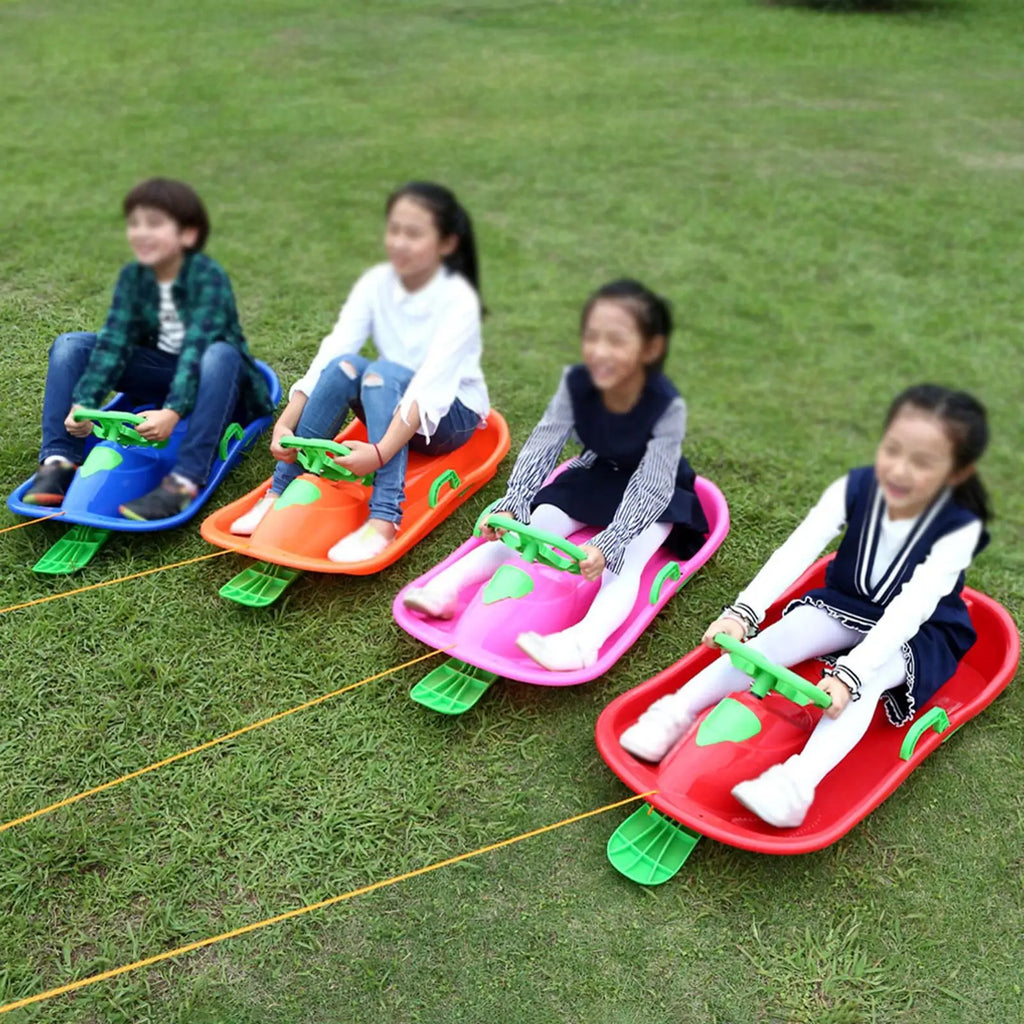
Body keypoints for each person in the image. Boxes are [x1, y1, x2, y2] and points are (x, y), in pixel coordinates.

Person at [620, 384, 992, 829]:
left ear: (957, 474)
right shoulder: (855, 487)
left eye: (923, 462)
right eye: (892, 450)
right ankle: (676, 711)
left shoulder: (958, 530)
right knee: (777, 639)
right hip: (850, 601)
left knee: (867, 683)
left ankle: (795, 785)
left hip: (921, 630)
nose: (899, 469)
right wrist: (744, 611)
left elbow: (912, 608)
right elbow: (798, 549)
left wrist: (852, 673)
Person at [402, 279, 709, 672]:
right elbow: (545, 442)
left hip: (657, 493)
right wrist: (515, 502)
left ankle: (583, 643)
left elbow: (651, 484)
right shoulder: (576, 384)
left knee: (625, 563)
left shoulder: (666, 406)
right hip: (600, 473)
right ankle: (446, 589)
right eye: (592, 338)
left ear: (650, 350)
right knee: (534, 526)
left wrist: (611, 542)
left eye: (616, 341)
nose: (600, 351)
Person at [230, 181, 488, 563]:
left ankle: (384, 517)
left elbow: (429, 390)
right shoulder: (377, 283)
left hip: (448, 418)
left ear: (447, 243)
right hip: (392, 396)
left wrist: (380, 454)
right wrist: (285, 424)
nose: (399, 242)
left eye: (414, 234)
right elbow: (333, 350)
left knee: (383, 373)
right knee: (343, 366)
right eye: (394, 230)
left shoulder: (459, 303)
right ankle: (279, 490)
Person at [25, 177, 274, 519]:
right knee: (72, 345)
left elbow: (196, 352)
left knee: (220, 353)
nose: (141, 232)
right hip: (164, 374)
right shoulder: (135, 278)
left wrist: (172, 412)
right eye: (135, 223)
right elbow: (114, 342)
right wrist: (84, 402)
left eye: (154, 224)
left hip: (220, 384)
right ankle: (59, 461)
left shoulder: (208, 279)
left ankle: (184, 481)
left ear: (188, 235)